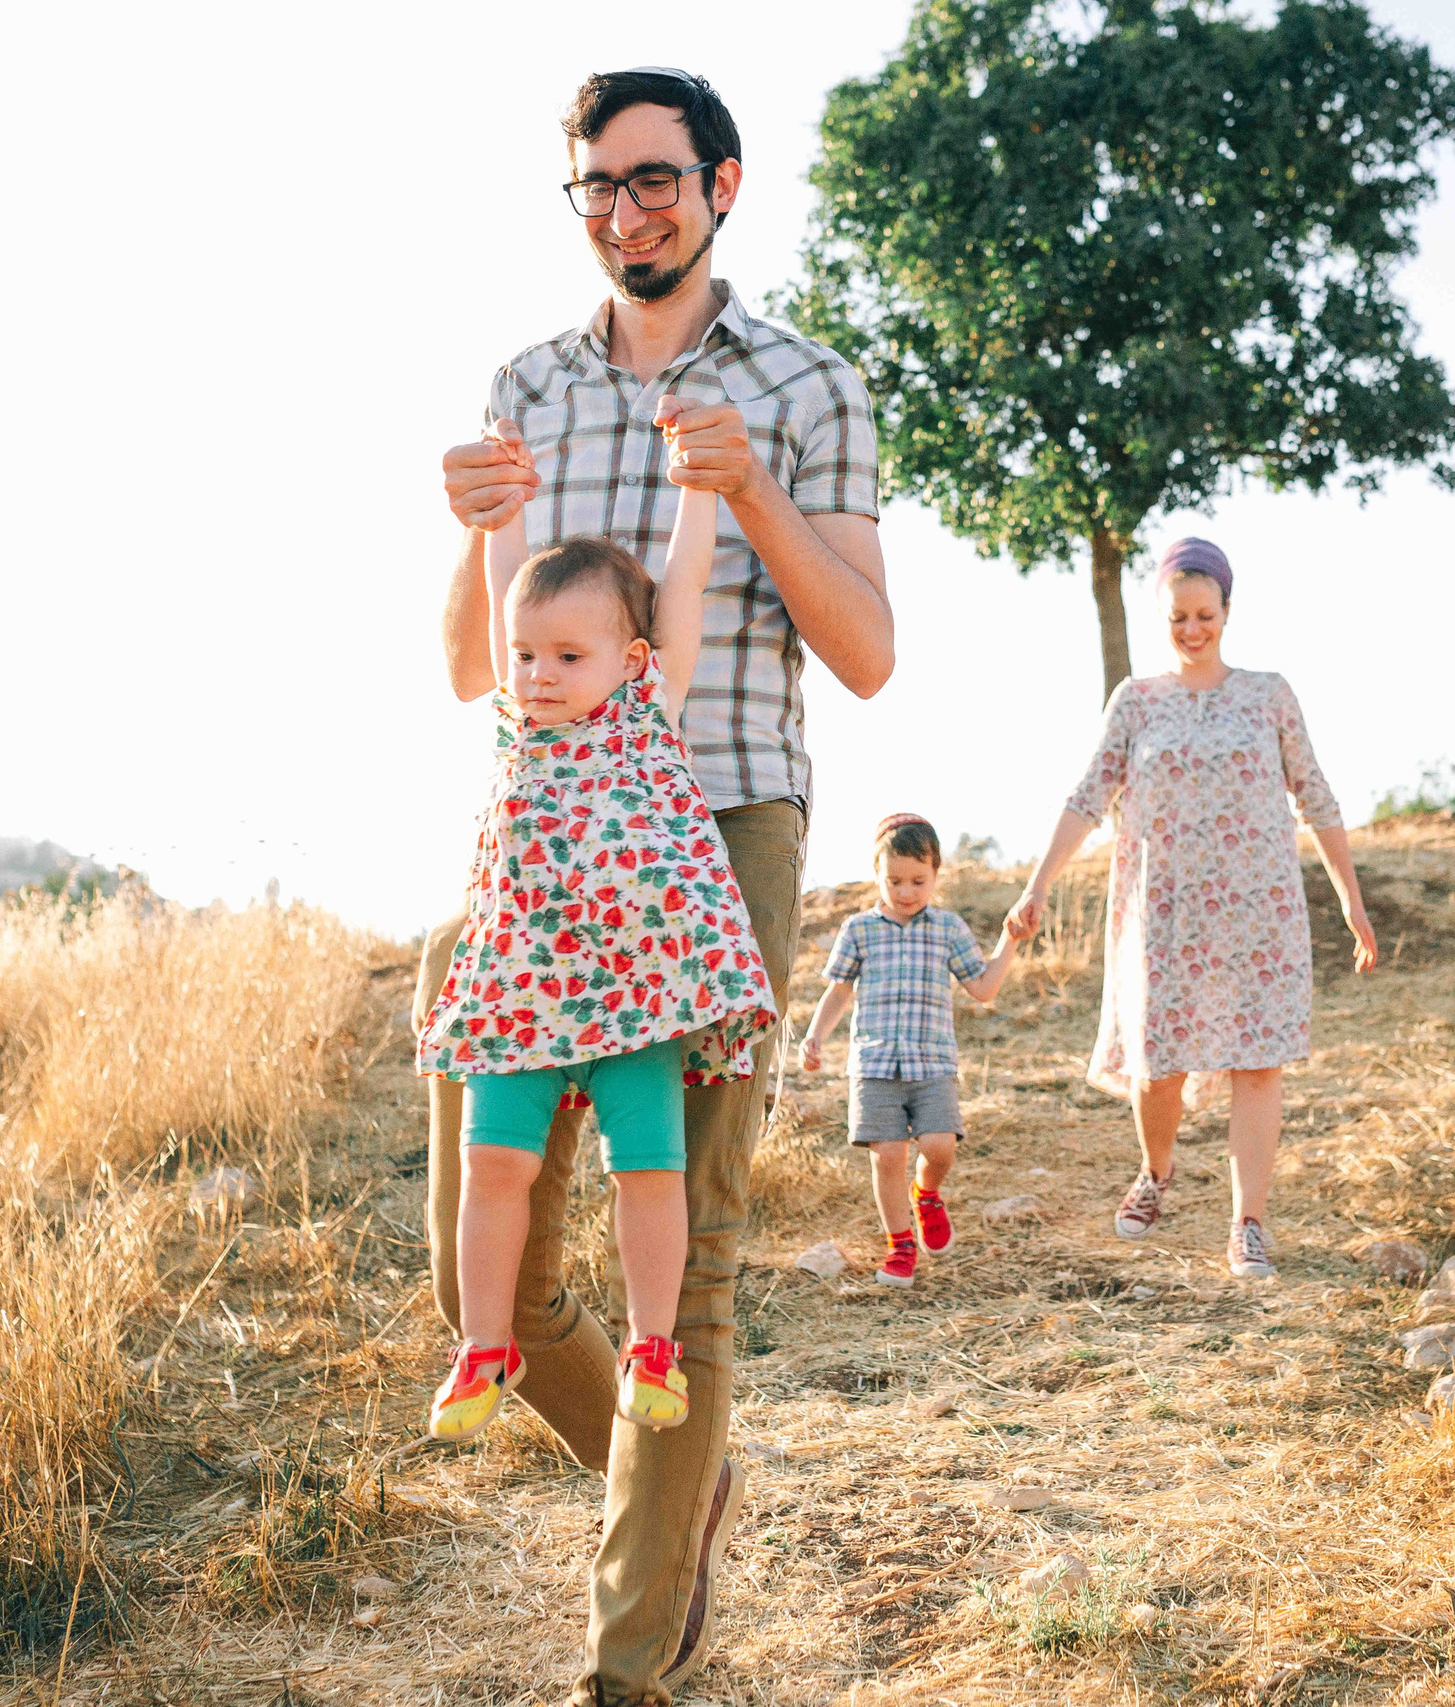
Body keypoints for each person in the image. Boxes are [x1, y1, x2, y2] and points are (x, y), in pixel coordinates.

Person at [424, 66, 891, 1701]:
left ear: (724, 184)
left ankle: (625, 1672)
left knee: (682, 1259)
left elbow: (872, 656)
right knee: (477, 1255)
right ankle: (682, 1473)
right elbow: (474, 662)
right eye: (599, 187)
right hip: (546, 853)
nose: (629, 210)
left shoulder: (811, 385)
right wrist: (462, 533)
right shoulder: (521, 387)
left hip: (721, 834)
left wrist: (747, 488)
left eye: (657, 180)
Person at [419, 473, 776, 1444]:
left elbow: (685, 579)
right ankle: (485, 1346)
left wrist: (700, 494)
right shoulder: (518, 730)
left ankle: (649, 1346)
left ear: (630, 659)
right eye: (527, 653)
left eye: (568, 655)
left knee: (648, 1169)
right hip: (520, 988)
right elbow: (506, 583)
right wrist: (502, 513)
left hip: (637, 993)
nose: (537, 672)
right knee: (493, 1162)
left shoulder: (643, 713)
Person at [1008, 538, 1377, 1281]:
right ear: (1162, 615)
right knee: (1158, 1068)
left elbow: (1317, 794)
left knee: (1258, 1062)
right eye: (1178, 615)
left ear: (1228, 611)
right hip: (1165, 912)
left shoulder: (1269, 693)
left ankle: (1248, 1225)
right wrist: (1038, 882)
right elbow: (1087, 796)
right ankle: (1157, 1169)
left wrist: (1350, 899)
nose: (1192, 628)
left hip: (1258, 910)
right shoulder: (1136, 702)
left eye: (1205, 614)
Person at [800, 814, 1019, 1287]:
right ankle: (900, 1245)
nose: (905, 892)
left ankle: (928, 1194)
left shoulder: (948, 928)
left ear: (937, 875)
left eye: (918, 881)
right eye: (894, 881)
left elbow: (982, 987)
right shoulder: (859, 929)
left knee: (939, 1146)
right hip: (874, 1065)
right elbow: (838, 992)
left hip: (932, 1063)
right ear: (876, 875)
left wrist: (1011, 941)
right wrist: (816, 1035)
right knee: (887, 1154)